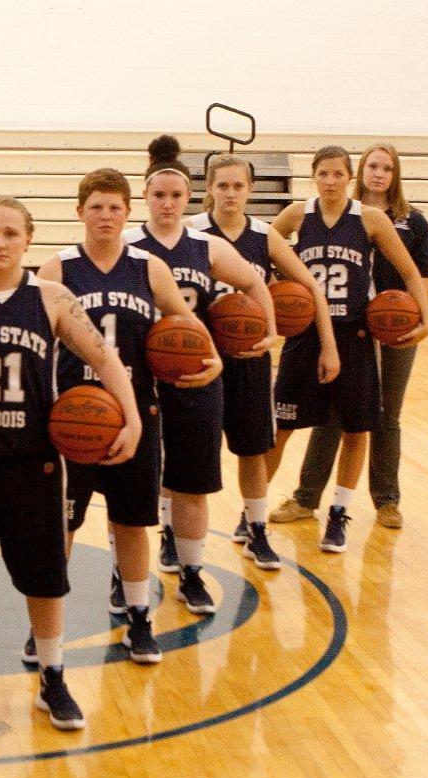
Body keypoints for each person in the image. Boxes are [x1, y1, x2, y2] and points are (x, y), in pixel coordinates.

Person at [0, 196, 140, 730]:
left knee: (46, 582)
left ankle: (52, 677)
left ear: (28, 239)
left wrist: (133, 419)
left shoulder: (52, 299)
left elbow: (103, 358)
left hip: (36, 465)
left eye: (10, 233)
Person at [34, 169, 214, 664]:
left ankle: (139, 618)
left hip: (136, 412)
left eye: (115, 207)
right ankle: (46, 628)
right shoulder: (57, 269)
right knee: (62, 526)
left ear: (127, 212)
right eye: (96, 206)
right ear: (79, 212)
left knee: (133, 523)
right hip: (74, 417)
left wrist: (212, 352)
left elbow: (183, 321)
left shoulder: (149, 267)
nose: (106, 215)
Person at [123, 136, 273, 612]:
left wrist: (267, 330)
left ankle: (191, 572)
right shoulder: (128, 245)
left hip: (196, 377)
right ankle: (122, 573)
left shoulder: (204, 246)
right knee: (131, 485)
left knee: (193, 479)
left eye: (176, 195)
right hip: (143, 379)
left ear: (190, 198)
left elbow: (253, 281)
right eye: (159, 195)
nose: (167, 204)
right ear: (145, 199)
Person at [264, 145, 428, 553]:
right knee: (280, 428)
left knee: (360, 426)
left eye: (339, 173)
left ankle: (340, 514)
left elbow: (410, 269)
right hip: (304, 335)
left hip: (355, 334)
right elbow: (260, 249)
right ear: (314, 175)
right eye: (324, 173)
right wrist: (268, 291)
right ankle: (255, 512)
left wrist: (426, 319)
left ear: (347, 176)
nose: (332, 180)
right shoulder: (295, 214)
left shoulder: (370, 219)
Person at [187, 154, 338, 567]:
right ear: (209, 189)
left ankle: (255, 531)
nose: (231, 193)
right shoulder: (191, 234)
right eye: (223, 186)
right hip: (199, 360)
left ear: (250, 190)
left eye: (238, 186)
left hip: (251, 361)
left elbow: (311, 288)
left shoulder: (264, 236)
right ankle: (171, 534)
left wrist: (328, 346)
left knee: (253, 451)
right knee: (186, 454)